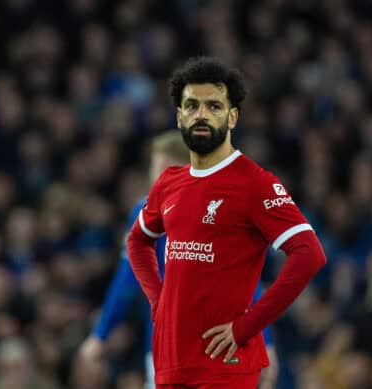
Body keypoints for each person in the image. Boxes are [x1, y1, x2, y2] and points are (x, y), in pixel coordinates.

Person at [127, 57, 326, 388]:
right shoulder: (169, 182)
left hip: (224, 366)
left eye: (213, 106)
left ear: (233, 116)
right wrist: (158, 301)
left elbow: (310, 254)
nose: (201, 115)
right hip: (172, 361)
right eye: (191, 106)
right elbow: (137, 241)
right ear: (179, 117)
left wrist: (247, 326)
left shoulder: (254, 183)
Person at [78, 131, 278, 388]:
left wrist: (267, 343)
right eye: (155, 167)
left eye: (165, 168)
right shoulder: (144, 213)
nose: (157, 177)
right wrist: (100, 334)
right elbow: (126, 279)